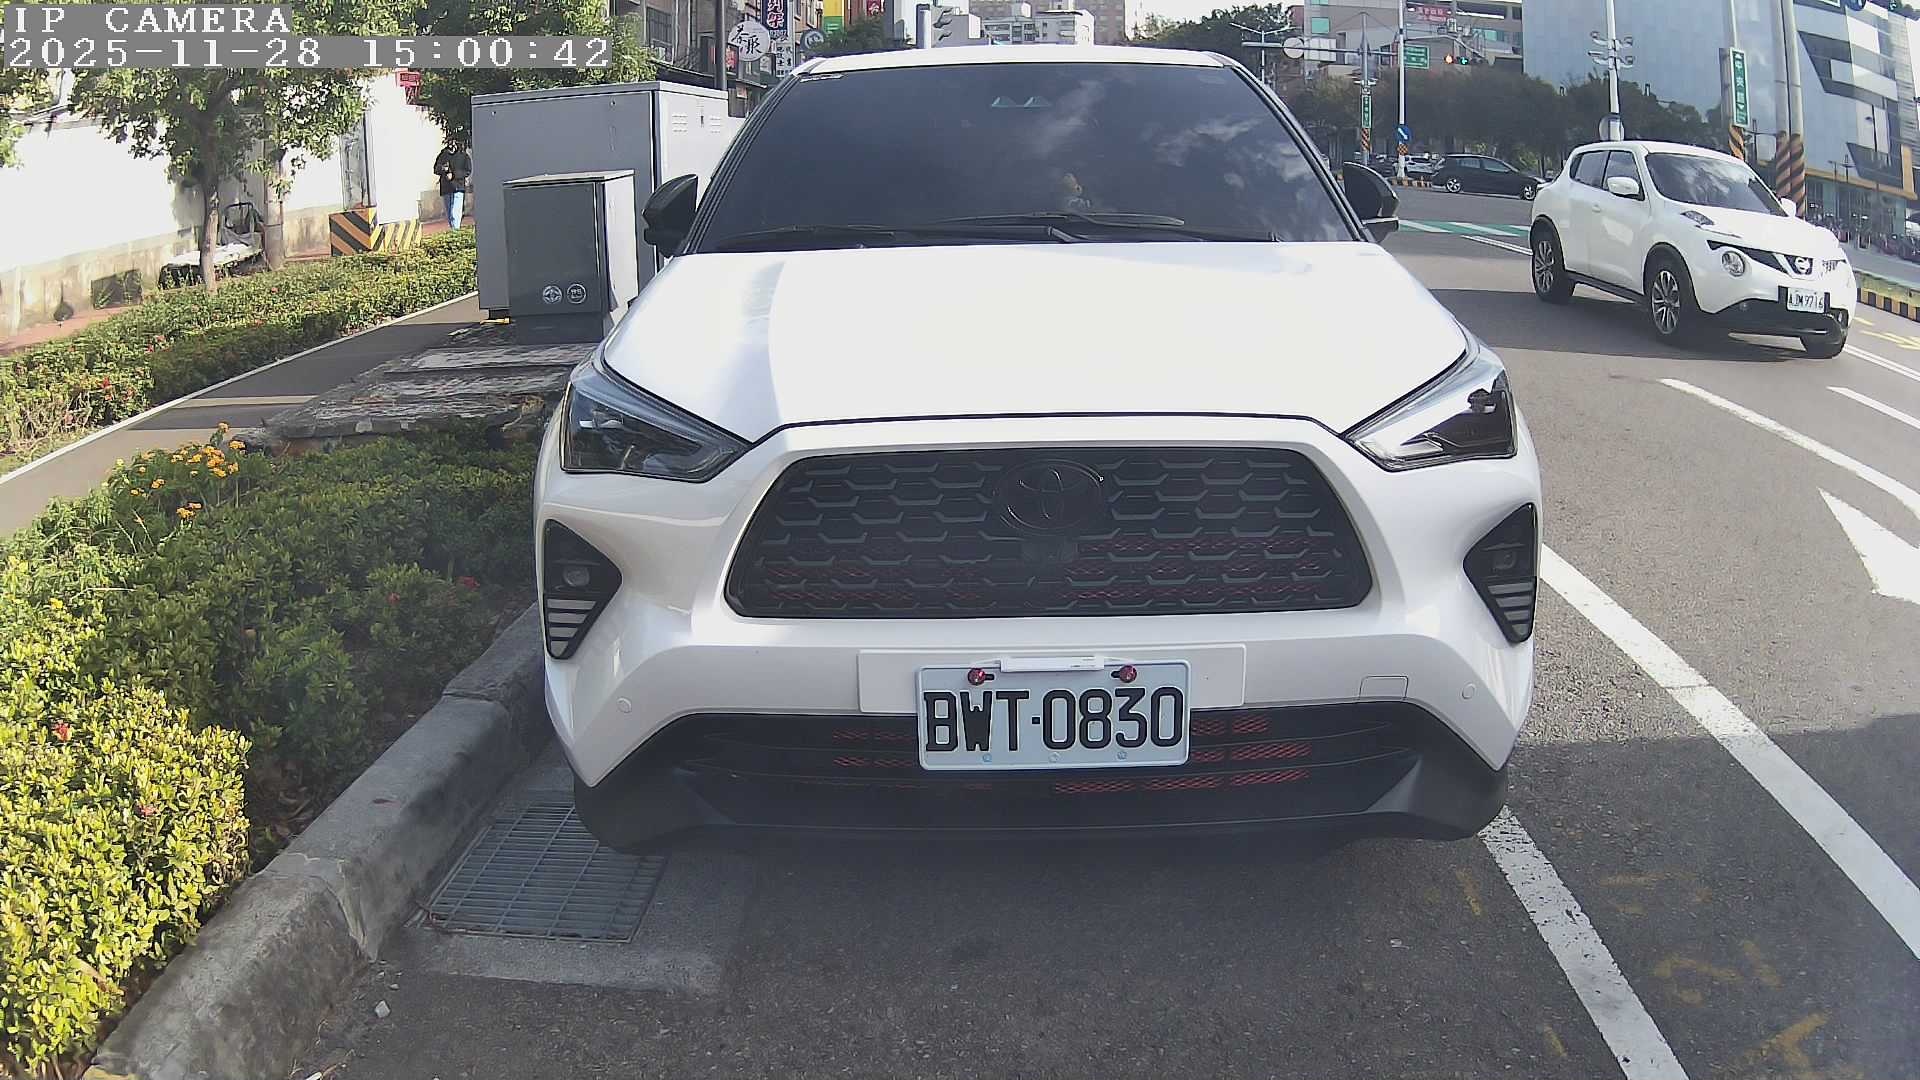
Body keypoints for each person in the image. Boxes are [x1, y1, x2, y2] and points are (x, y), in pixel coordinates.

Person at [434, 141, 472, 229]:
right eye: (450, 142)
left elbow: (467, 171)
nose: (451, 144)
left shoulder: (463, 155)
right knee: (449, 214)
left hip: (458, 187)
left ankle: (456, 231)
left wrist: (454, 175)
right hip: (446, 188)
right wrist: (443, 168)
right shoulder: (443, 155)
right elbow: (436, 169)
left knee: (455, 213)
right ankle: (453, 230)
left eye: (454, 142)